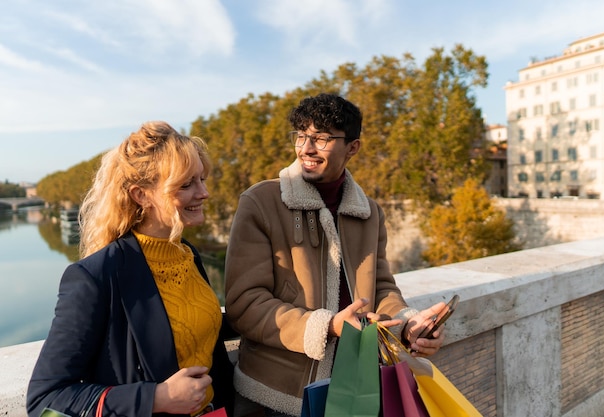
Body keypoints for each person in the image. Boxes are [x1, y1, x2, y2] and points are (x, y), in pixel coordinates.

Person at [224, 93, 447, 417]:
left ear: (352, 147)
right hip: (275, 398)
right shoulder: (260, 201)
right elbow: (244, 304)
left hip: (356, 393)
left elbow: (381, 289)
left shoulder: (369, 212)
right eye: (301, 136)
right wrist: (326, 326)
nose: (306, 148)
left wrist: (409, 323)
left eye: (322, 138)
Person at [27, 122, 234, 417]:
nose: (204, 193)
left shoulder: (187, 254)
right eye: (186, 185)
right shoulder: (95, 276)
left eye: (202, 179)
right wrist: (155, 398)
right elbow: (44, 400)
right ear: (141, 195)